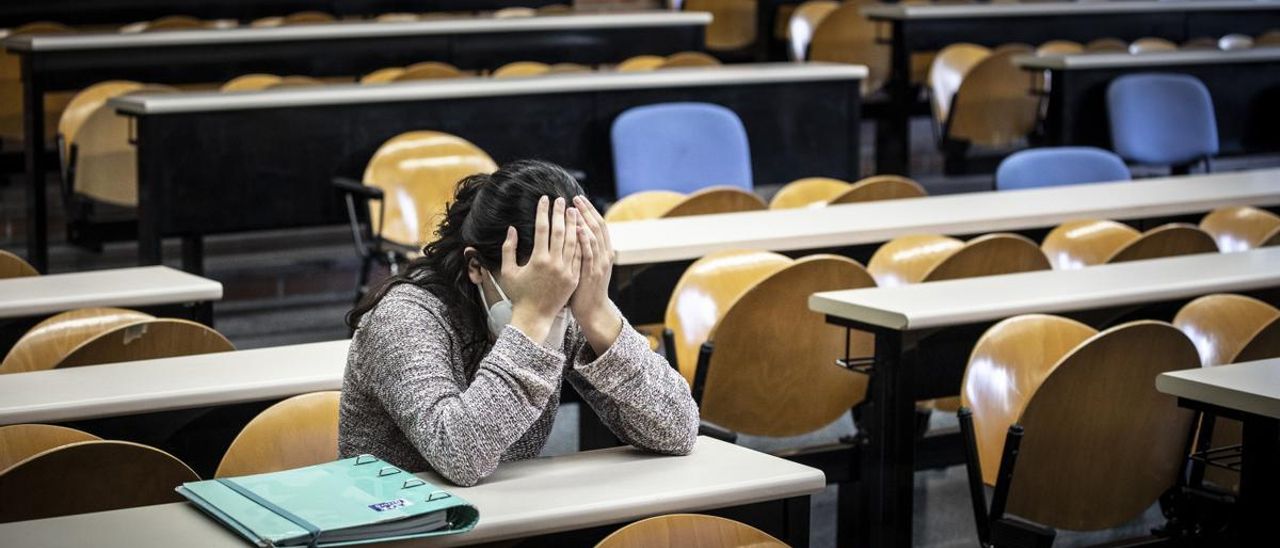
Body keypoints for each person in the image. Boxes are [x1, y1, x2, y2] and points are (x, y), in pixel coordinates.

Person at [338, 160, 700, 486]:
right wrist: (532, 319)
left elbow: (677, 429)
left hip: (507, 523)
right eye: (538, 288)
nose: (556, 304)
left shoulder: (562, 299)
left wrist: (598, 312)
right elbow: (460, 456)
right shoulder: (403, 318)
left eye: (566, 282)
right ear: (476, 266)